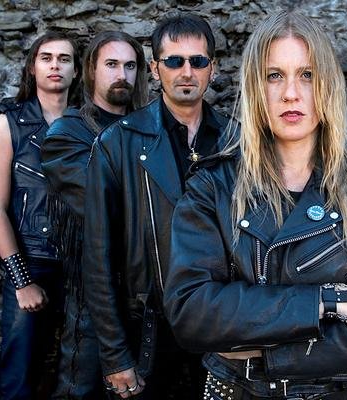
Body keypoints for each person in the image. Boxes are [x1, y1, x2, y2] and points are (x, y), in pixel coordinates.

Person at [163, 11, 347, 399]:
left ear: (327, 84)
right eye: (274, 75)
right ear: (255, 87)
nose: (291, 93)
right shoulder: (212, 187)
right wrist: (334, 300)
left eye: (307, 75)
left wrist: (263, 354)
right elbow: (192, 314)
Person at [81, 14, 230, 398]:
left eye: (197, 61)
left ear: (212, 68)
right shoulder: (118, 143)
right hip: (149, 332)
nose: (186, 72)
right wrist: (115, 355)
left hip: (224, 329)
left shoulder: (237, 140)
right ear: (154, 68)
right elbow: (97, 259)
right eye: (174, 61)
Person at [40, 31, 148, 399]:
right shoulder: (68, 133)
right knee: (79, 389)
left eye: (130, 66)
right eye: (112, 64)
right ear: (91, 70)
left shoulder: (150, 130)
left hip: (146, 294)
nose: (122, 75)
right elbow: (106, 205)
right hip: (92, 293)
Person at [0, 31, 80, 399]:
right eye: (46, 58)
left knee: (76, 372)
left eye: (65, 59)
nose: (55, 65)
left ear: (76, 70)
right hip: (31, 261)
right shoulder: (9, 123)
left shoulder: (86, 125)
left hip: (80, 266)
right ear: (33, 67)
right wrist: (22, 281)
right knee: (19, 376)